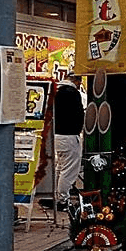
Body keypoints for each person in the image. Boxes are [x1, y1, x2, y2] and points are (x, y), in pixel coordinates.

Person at [53, 72, 85, 211]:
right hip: (69, 136)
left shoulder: (55, 91)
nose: (80, 85)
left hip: (56, 136)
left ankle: (56, 196)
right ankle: (63, 200)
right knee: (69, 170)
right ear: (76, 80)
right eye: (80, 82)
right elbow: (79, 114)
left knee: (59, 168)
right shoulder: (72, 93)